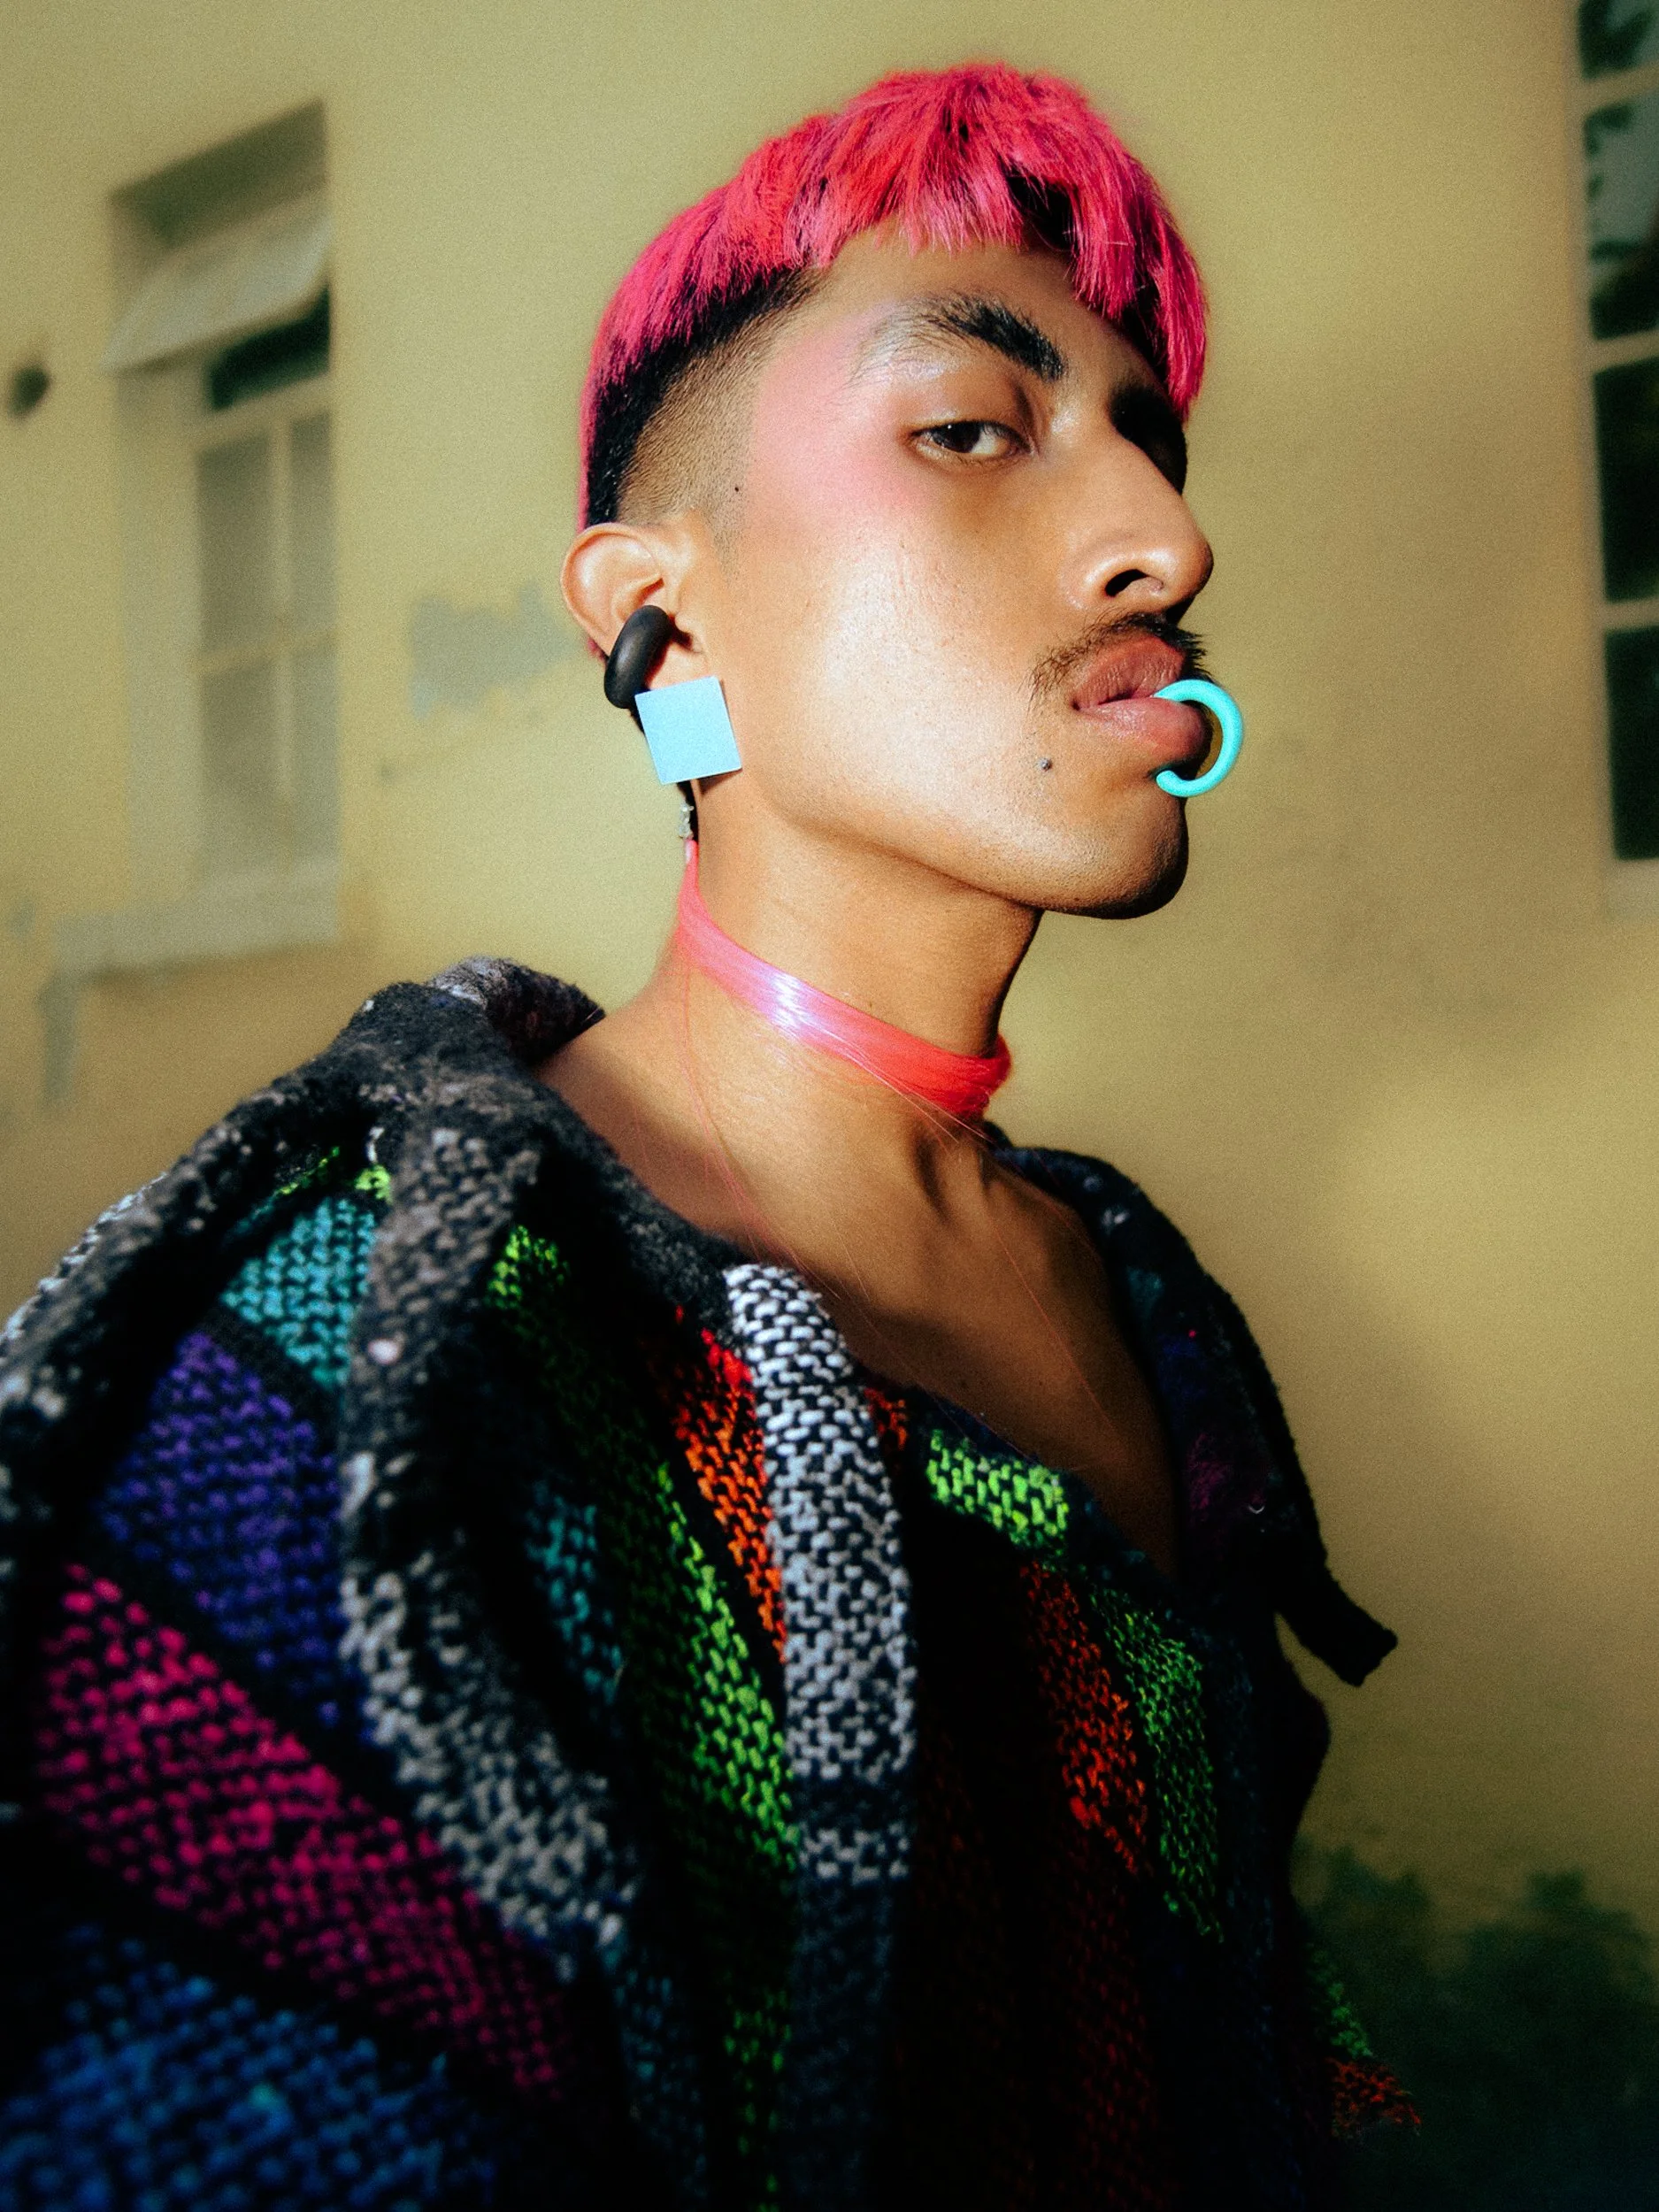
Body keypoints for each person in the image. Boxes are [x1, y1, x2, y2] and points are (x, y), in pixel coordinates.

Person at [0, 62, 1410, 2212]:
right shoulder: (382, 1341)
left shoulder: (1139, 1301)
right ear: (658, 617)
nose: (1168, 538)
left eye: (1153, 440)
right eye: (970, 425)